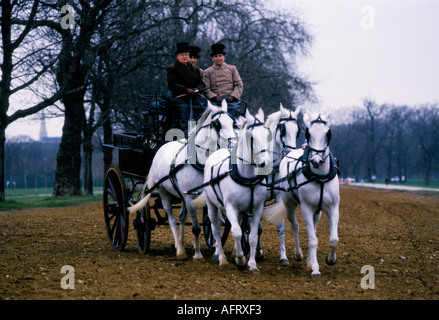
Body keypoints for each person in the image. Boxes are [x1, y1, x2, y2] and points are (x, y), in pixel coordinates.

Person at [164, 42, 205, 133]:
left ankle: (201, 130)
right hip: (177, 94)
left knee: (202, 107)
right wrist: (186, 89)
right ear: (177, 56)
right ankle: (186, 131)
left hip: (192, 95)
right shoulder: (172, 68)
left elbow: (201, 84)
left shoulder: (195, 69)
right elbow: (172, 84)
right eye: (182, 55)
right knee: (184, 108)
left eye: (186, 54)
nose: (185, 56)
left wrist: (196, 89)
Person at [202, 43, 245, 119]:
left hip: (231, 101)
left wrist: (232, 97)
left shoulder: (232, 69)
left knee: (234, 110)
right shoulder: (207, 72)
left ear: (224, 57)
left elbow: (239, 84)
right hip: (215, 102)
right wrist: (215, 97)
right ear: (212, 58)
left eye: (220, 56)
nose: (218, 58)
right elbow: (206, 89)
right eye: (216, 56)